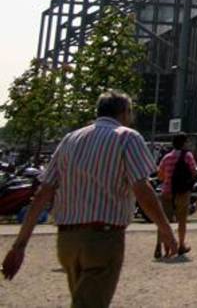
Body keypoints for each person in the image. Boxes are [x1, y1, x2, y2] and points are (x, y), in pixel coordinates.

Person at [2, 91, 179, 308]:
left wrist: (20, 245)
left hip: (67, 240)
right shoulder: (127, 137)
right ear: (125, 112)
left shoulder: (70, 139)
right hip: (103, 238)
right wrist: (165, 229)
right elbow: (142, 189)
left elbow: (43, 194)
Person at [155, 133, 197, 259]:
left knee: (164, 221)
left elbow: (160, 175)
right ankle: (181, 245)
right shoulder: (188, 156)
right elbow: (194, 171)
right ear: (183, 143)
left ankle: (162, 247)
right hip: (182, 192)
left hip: (167, 191)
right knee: (182, 220)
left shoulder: (167, 157)